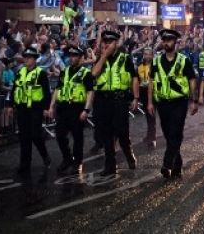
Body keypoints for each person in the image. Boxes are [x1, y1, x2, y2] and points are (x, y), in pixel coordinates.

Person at [147, 29, 198, 179]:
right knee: (169, 135)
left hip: (179, 102)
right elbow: (151, 82)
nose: (166, 42)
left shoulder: (184, 60)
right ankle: (178, 164)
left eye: (169, 40)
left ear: (176, 42)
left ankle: (167, 163)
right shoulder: (156, 61)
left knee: (176, 132)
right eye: (164, 40)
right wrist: (150, 102)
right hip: (162, 103)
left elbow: (192, 80)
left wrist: (193, 101)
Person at [91, 30, 140, 176]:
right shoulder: (100, 59)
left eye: (110, 42)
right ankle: (110, 165)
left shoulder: (125, 58)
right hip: (103, 100)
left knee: (122, 131)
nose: (107, 45)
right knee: (106, 134)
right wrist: (104, 56)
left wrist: (136, 98)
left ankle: (128, 152)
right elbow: (93, 74)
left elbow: (134, 78)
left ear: (117, 43)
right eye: (105, 42)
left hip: (119, 100)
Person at [49, 46, 94, 175]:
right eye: (71, 56)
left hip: (77, 108)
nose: (72, 58)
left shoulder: (86, 73)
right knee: (60, 135)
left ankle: (78, 162)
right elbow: (57, 89)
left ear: (80, 58)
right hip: (63, 108)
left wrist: (86, 110)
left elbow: (90, 92)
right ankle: (67, 158)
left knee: (77, 137)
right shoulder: (65, 71)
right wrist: (52, 106)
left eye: (75, 56)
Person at [10, 46, 52, 176]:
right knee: (24, 137)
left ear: (35, 59)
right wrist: (10, 104)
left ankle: (45, 155)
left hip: (36, 108)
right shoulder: (20, 72)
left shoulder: (41, 73)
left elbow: (46, 92)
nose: (27, 60)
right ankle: (24, 165)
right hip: (22, 108)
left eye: (30, 58)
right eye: (25, 57)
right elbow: (14, 89)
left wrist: (46, 108)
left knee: (35, 134)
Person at [138, 49, 157, 149]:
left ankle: (152, 138)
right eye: (145, 54)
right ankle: (149, 135)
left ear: (152, 55)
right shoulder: (140, 66)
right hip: (143, 92)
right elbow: (137, 80)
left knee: (151, 116)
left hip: (153, 93)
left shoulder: (155, 66)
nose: (147, 56)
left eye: (149, 54)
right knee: (147, 116)